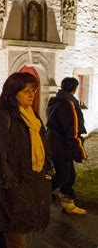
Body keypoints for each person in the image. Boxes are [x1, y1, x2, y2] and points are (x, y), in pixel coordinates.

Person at [0, 72, 53, 248]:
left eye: (33, 90)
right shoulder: (1, 116)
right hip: (10, 189)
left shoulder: (34, 118)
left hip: (29, 186)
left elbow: (44, 150)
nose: (31, 95)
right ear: (12, 92)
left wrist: (46, 170)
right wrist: (10, 184)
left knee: (4, 233)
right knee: (15, 236)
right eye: (26, 91)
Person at [46, 77, 87, 215]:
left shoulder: (56, 101)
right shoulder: (67, 103)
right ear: (74, 89)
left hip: (56, 141)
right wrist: (78, 150)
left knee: (68, 174)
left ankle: (68, 203)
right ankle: (39, 193)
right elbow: (71, 129)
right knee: (64, 174)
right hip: (62, 143)